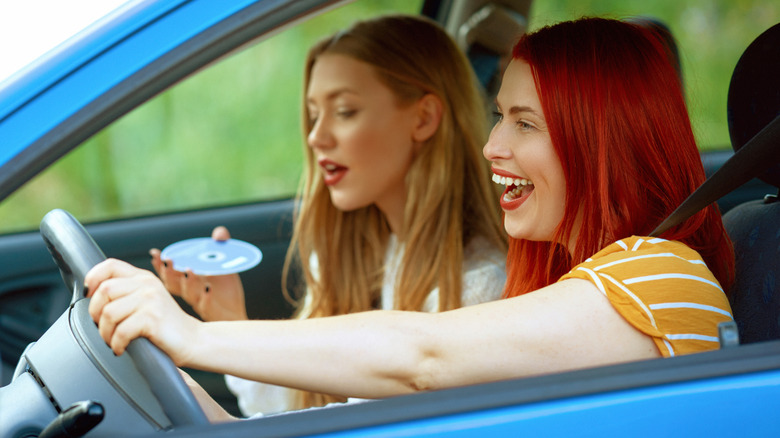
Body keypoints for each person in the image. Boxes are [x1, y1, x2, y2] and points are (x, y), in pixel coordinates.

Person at [85, 16, 735, 423]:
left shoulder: (663, 273)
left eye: (524, 123)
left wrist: (192, 340)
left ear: (604, 140)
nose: (491, 146)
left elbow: (422, 355)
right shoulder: (570, 281)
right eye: (499, 114)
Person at [148, 14, 507, 415]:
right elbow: (303, 408)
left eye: (345, 111)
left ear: (423, 118)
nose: (316, 137)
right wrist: (228, 317)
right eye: (315, 114)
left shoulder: (477, 289)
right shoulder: (349, 256)